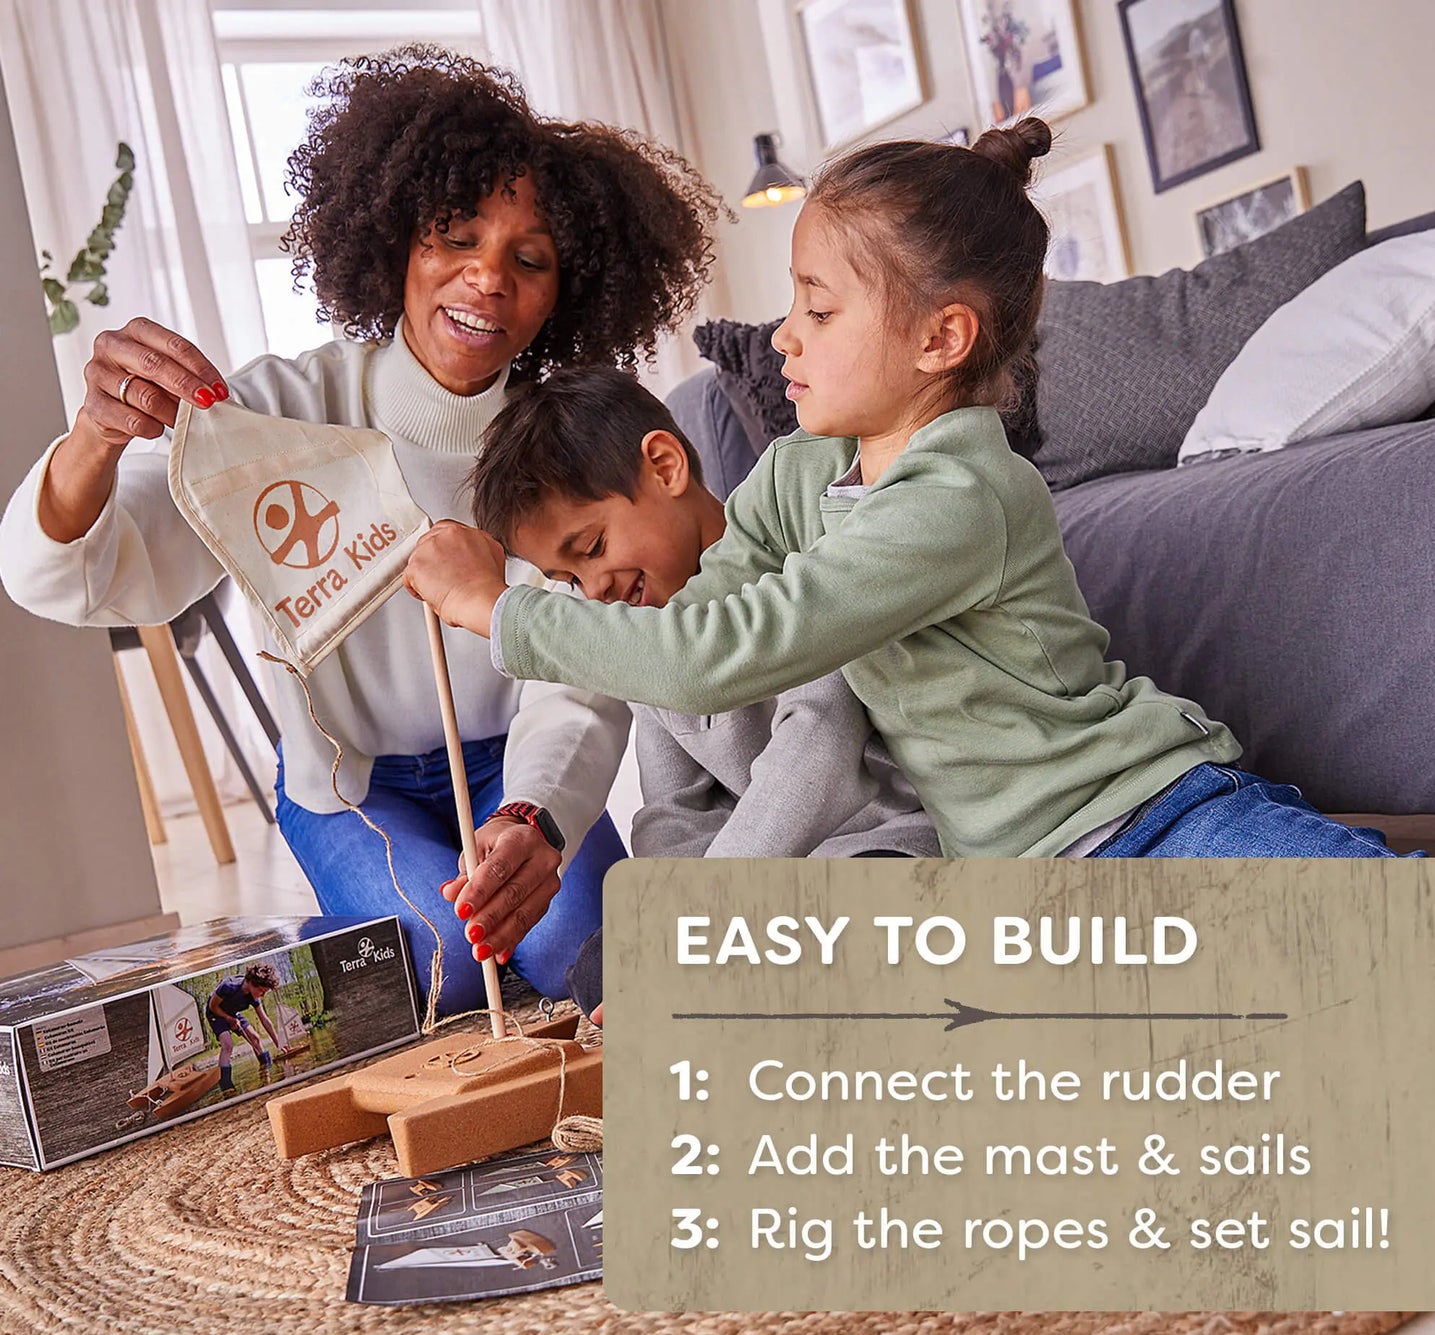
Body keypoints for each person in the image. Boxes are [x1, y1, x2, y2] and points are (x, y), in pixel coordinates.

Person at [403, 119, 1415, 865]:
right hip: (1026, 872)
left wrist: (499, 610)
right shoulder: (800, 472)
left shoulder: (956, 494)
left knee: (1381, 955)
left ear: (940, 339)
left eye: (817, 307)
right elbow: (694, 633)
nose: (783, 334)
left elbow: (720, 654)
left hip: (1149, 815)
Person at [0, 48, 721, 1014]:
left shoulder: (562, 448)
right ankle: (345, 939)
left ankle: (385, 943)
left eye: (530, 259)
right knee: (452, 970)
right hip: (353, 786)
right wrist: (94, 436)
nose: (488, 278)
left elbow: (583, 676)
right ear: (395, 245)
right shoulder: (274, 413)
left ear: (564, 292)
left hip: (518, 757)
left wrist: (532, 817)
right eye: (455, 236)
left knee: (592, 971)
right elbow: (77, 576)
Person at [461, 366, 941, 1023]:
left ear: (663, 465)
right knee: (601, 964)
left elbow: (821, 748)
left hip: (875, 843)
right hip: (760, 886)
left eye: (592, 547)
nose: (594, 589)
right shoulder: (642, 627)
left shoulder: (790, 557)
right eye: (566, 577)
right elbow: (672, 811)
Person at [206, 962, 283, 1094]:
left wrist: (279, 1044)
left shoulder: (253, 995)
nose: (262, 995)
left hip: (233, 1013)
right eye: (262, 991)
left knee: (255, 1038)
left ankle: (266, 1071)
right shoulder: (228, 986)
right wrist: (229, 1019)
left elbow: (264, 1020)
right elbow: (213, 1007)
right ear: (253, 983)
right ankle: (226, 1087)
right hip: (216, 1014)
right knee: (227, 1044)